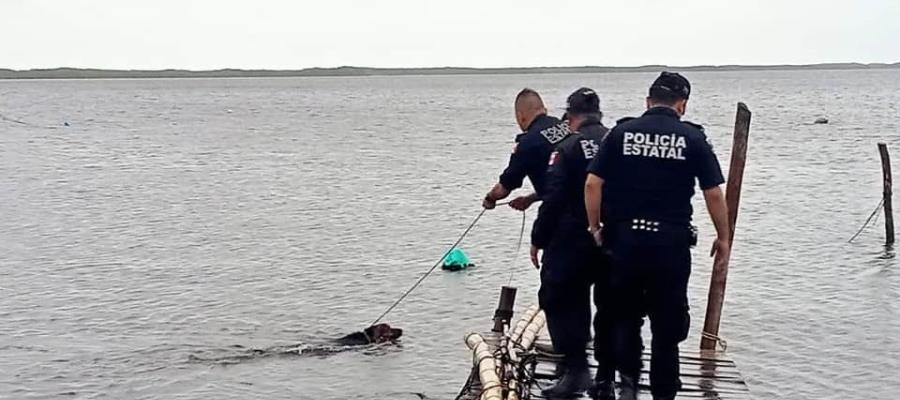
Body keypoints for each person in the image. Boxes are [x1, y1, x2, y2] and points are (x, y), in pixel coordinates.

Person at [584, 72, 731, 400]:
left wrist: (595, 228)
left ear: (648, 102)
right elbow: (713, 193)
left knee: (624, 317)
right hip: (670, 245)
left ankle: (627, 386)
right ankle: (664, 393)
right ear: (682, 105)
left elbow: (593, 183)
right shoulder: (692, 139)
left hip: (625, 243)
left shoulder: (620, 133)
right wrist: (724, 237)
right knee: (667, 327)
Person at [530, 88, 612, 399]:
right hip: (610, 237)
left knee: (559, 300)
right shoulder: (615, 140)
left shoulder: (567, 148)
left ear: (570, 117)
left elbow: (553, 199)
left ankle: (575, 370)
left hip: (572, 239)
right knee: (609, 306)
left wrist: (538, 239)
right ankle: (606, 378)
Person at [483, 89, 570, 211]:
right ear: (544, 110)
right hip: (589, 202)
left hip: (561, 211)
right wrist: (530, 199)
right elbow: (564, 182)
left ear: (520, 116)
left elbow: (504, 188)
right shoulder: (565, 126)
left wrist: (490, 199)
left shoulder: (528, 144)